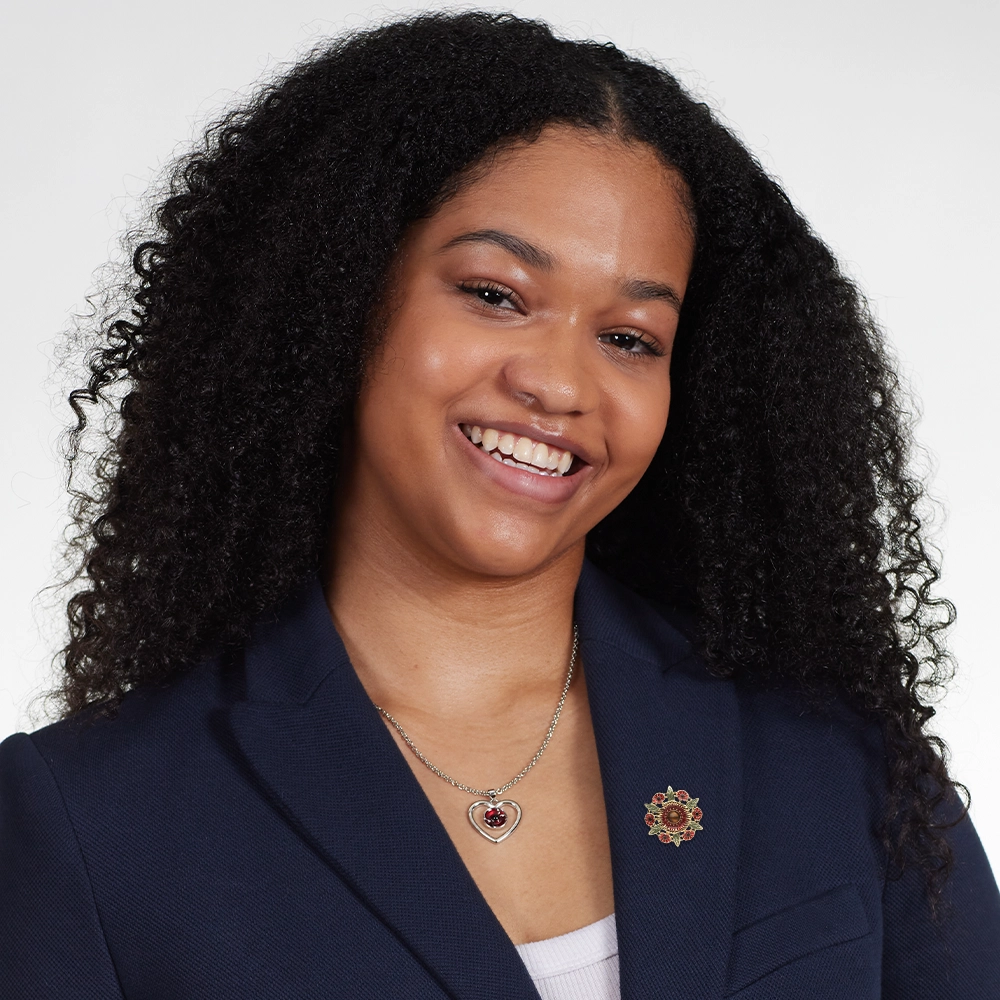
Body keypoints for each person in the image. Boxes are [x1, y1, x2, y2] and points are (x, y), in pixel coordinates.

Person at [1, 10, 997, 999]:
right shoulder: (92, 826)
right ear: (342, 296)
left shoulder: (832, 754)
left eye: (631, 338)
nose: (560, 383)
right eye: (495, 293)